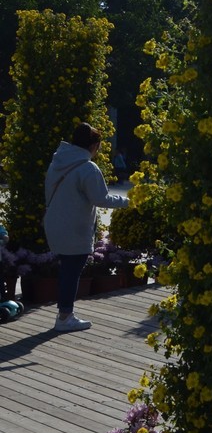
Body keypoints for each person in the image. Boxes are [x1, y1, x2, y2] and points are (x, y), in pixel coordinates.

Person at [43, 123, 129, 332]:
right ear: (93, 146)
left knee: (67, 270)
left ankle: (65, 313)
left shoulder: (58, 162)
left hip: (54, 223)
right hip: (75, 228)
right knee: (71, 272)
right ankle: (65, 316)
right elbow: (101, 198)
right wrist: (128, 201)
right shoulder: (88, 168)